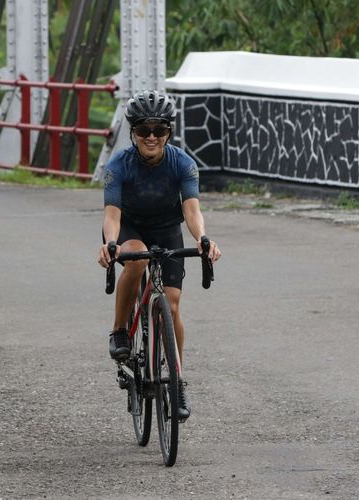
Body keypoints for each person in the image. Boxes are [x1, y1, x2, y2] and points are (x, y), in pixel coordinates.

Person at [97, 90, 221, 419]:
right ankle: (120, 331)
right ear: (133, 132)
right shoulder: (118, 165)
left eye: (159, 130)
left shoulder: (182, 163)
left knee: (173, 302)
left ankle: (177, 380)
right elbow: (112, 216)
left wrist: (203, 238)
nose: (151, 137)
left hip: (167, 229)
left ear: (169, 132)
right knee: (135, 257)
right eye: (143, 130)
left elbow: (192, 210)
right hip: (130, 228)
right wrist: (110, 244)